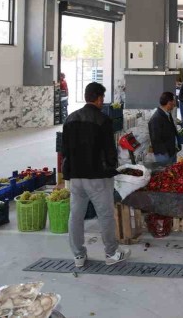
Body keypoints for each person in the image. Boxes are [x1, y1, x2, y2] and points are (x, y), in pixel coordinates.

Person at [63, 82, 130, 268]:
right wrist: (112, 167)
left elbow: (65, 150)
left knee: (76, 216)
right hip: (97, 177)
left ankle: (78, 255)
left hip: (76, 177)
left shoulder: (70, 119)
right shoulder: (103, 120)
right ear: (99, 98)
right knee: (105, 216)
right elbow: (110, 151)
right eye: (102, 98)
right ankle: (111, 253)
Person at [148, 92, 181, 165]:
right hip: (164, 155)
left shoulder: (167, 114)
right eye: (174, 101)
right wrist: (165, 153)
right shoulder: (156, 119)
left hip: (171, 151)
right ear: (169, 103)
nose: (175, 103)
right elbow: (155, 139)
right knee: (166, 171)